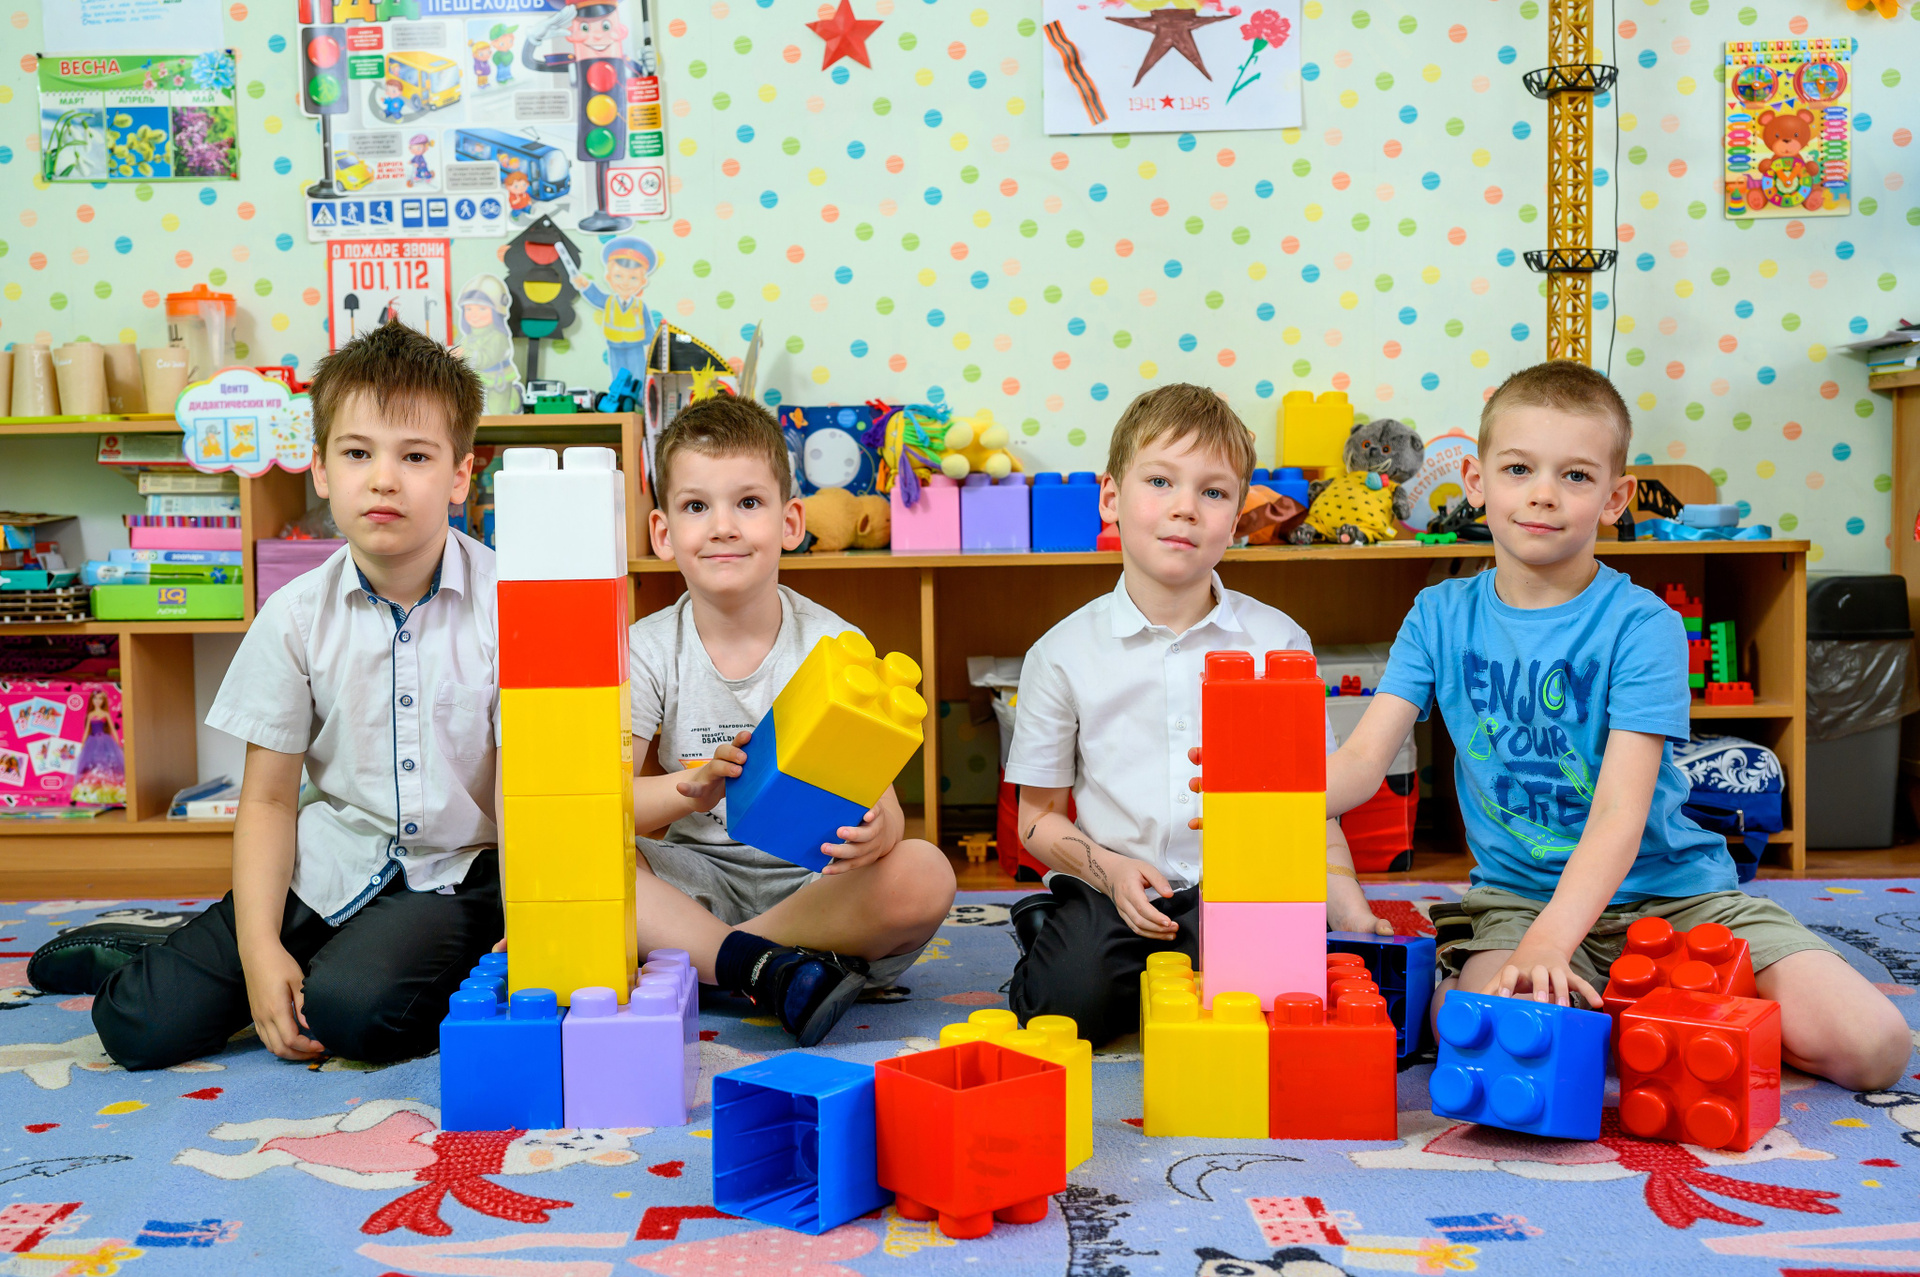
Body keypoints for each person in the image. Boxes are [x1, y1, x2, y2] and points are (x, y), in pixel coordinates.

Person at [1325, 360, 1911, 1090]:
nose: (1543, 493)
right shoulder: (1437, 615)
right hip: (1522, 899)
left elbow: (1618, 817)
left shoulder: (1643, 625)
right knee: (1480, 1034)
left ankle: (1683, 1020)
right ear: (1476, 481)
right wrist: (1259, 792)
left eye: (1575, 475)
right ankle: (1649, 1021)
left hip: (1677, 894)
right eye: (1518, 468)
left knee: (1875, 1047)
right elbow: (1361, 762)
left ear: (1615, 497)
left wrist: (1553, 945)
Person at [37, 320, 502, 1070]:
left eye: (415, 456)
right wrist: (257, 952)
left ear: (459, 476)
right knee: (134, 1024)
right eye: (357, 453)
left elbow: (527, 790)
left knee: (354, 1013)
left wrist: (534, 915)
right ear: (320, 469)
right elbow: (268, 799)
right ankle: (157, 943)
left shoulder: (510, 604)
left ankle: (348, 964)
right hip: (334, 859)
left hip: (458, 877)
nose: (384, 479)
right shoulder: (294, 614)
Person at [1003, 383, 1385, 1047]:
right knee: (1063, 1010)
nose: (1185, 507)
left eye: (1212, 492)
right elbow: (1036, 820)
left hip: (1245, 883)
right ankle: (1052, 925)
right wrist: (1107, 870)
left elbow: (1312, 806)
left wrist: (1348, 907)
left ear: (1236, 518)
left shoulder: (1279, 642)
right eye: (1160, 481)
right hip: (1112, 884)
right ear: (1110, 498)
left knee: (1272, 1003)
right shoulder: (1060, 653)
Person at [624, 395, 955, 1045]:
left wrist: (878, 834)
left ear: (791, 521)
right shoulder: (646, 648)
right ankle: (772, 968)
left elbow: (882, 804)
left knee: (925, 871)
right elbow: (611, 806)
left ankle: (725, 960)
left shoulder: (831, 643)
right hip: (698, 879)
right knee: (595, 864)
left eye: (748, 502)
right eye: (696, 506)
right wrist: (688, 789)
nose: (723, 526)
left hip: (818, 892)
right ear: (662, 533)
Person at [571, 236, 658, 389]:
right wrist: (584, 285)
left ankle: (639, 400)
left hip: (635, 348)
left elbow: (648, 328)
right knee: (618, 377)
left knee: (638, 378)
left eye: (633, 278)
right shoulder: (609, 301)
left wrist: (651, 348)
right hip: (615, 348)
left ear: (642, 281)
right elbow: (596, 297)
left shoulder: (640, 306)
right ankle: (619, 399)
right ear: (608, 277)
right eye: (618, 276)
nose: (625, 283)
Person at [453, 273, 522, 415]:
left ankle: (515, 397)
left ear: (496, 312)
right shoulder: (469, 337)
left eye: (482, 309)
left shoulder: (498, 337)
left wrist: (464, 354)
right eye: (469, 309)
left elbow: (487, 358)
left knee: (498, 412)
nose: (474, 314)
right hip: (475, 382)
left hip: (497, 381)